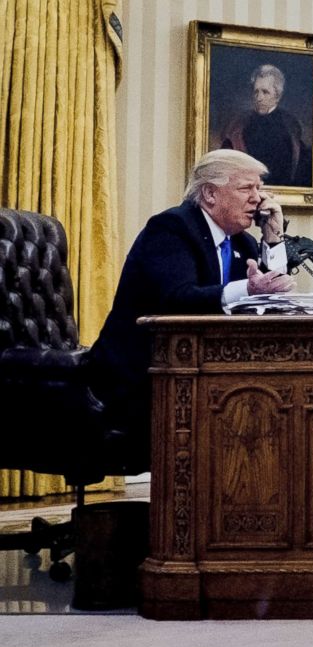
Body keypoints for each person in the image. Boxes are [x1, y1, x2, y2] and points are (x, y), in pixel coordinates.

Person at [87, 149, 297, 468]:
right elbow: (178, 299)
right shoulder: (171, 228)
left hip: (203, 374)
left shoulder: (241, 242)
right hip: (140, 377)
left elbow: (272, 297)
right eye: (246, 189)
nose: (258, 199)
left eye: (259, 189)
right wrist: (249, 289)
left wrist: (273, 237)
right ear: (210, 194)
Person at [220, 64, 312, 186]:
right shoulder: (239, 125)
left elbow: (301, 168)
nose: (259, 98)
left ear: (277, 96)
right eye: (256, 92)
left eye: (265, 92)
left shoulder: (290, 126)